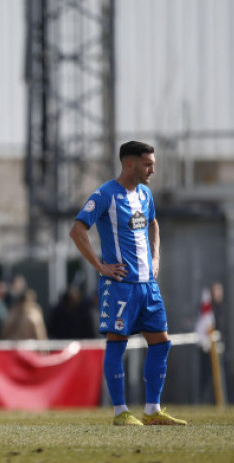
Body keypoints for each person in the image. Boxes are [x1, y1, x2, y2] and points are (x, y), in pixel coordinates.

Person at [69, 140, 186, 426]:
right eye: (148, 164)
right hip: (120, 285)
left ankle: (152, 410)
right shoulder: (105, 194)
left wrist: (156, 257)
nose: (152, 170)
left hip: (148, 286)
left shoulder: (145, 195)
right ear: (130, 163)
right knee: (117, 343)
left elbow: (153, 223)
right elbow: (77, 230)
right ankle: (120, 411)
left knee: (161, 342)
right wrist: (100, 266)